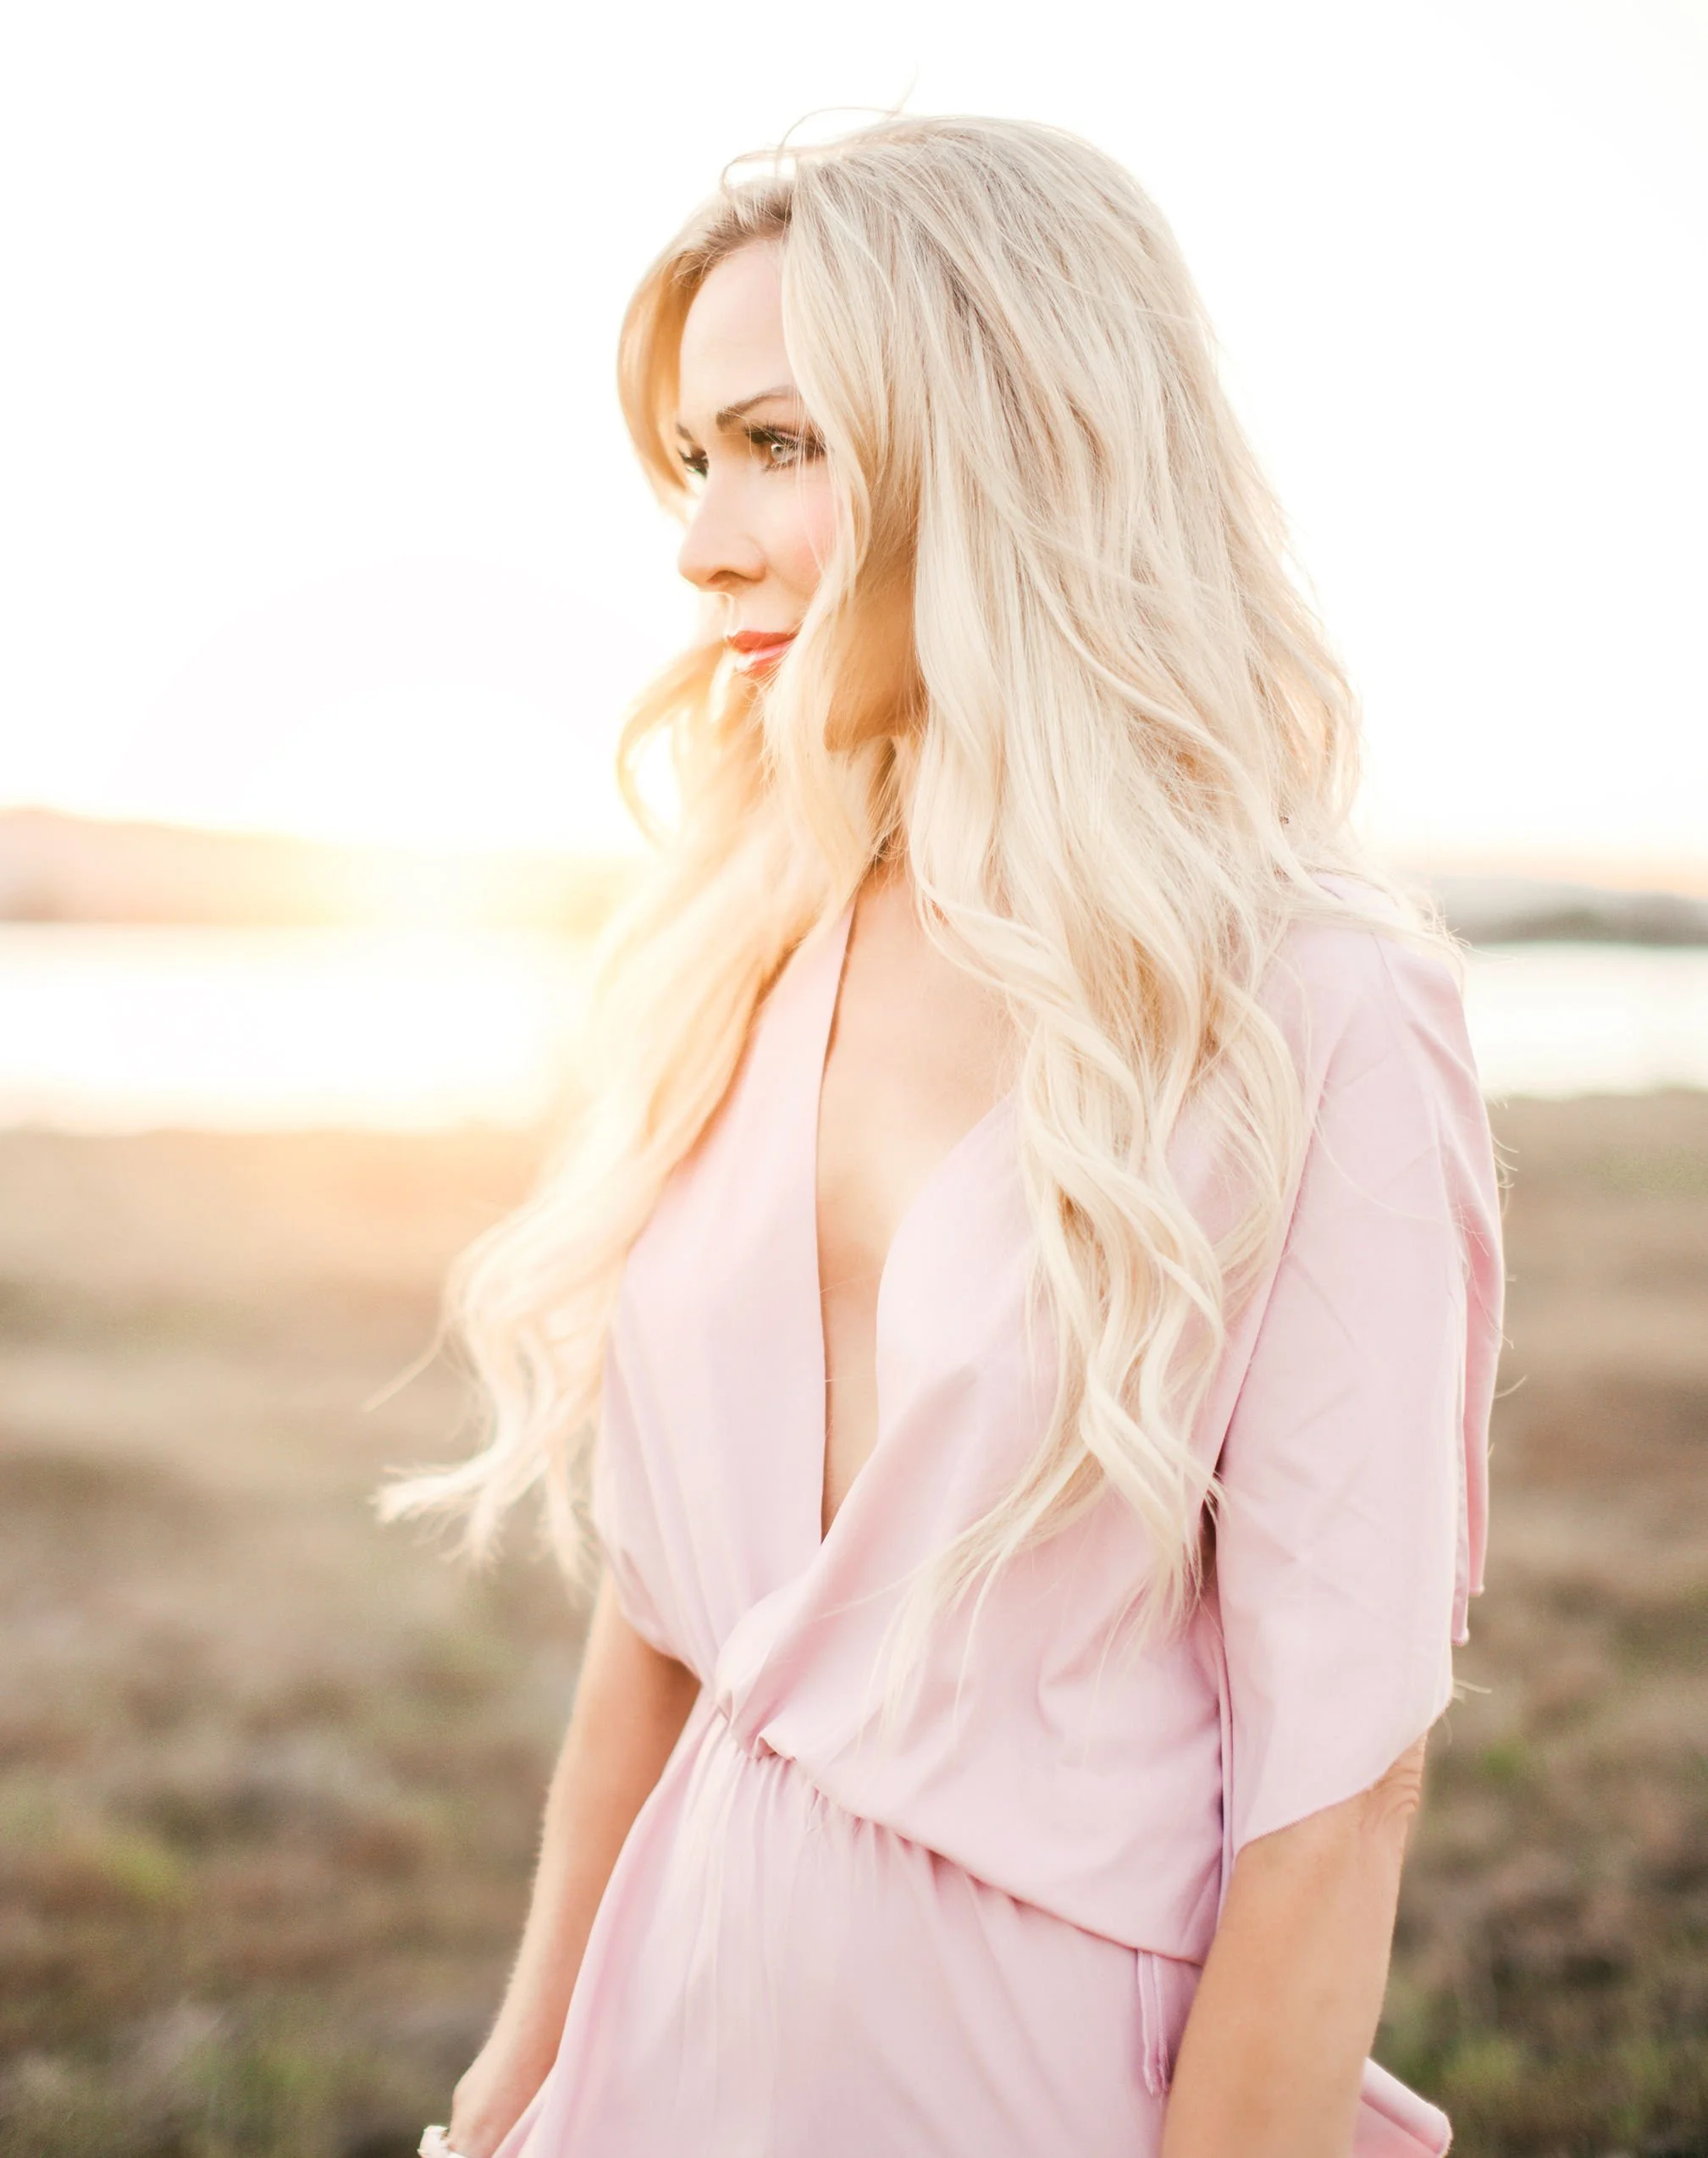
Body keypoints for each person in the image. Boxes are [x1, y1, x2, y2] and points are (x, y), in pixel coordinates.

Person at [388, 112, 1506, 2158]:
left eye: (780, 446)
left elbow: (1336, 1790)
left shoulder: (1311, 1004)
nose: (703, 541)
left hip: (1036, 2083)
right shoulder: (748, 935)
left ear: (1009, 445)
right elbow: (662, 1625)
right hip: (660, 2068)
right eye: (693, 462)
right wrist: (504, 2091)